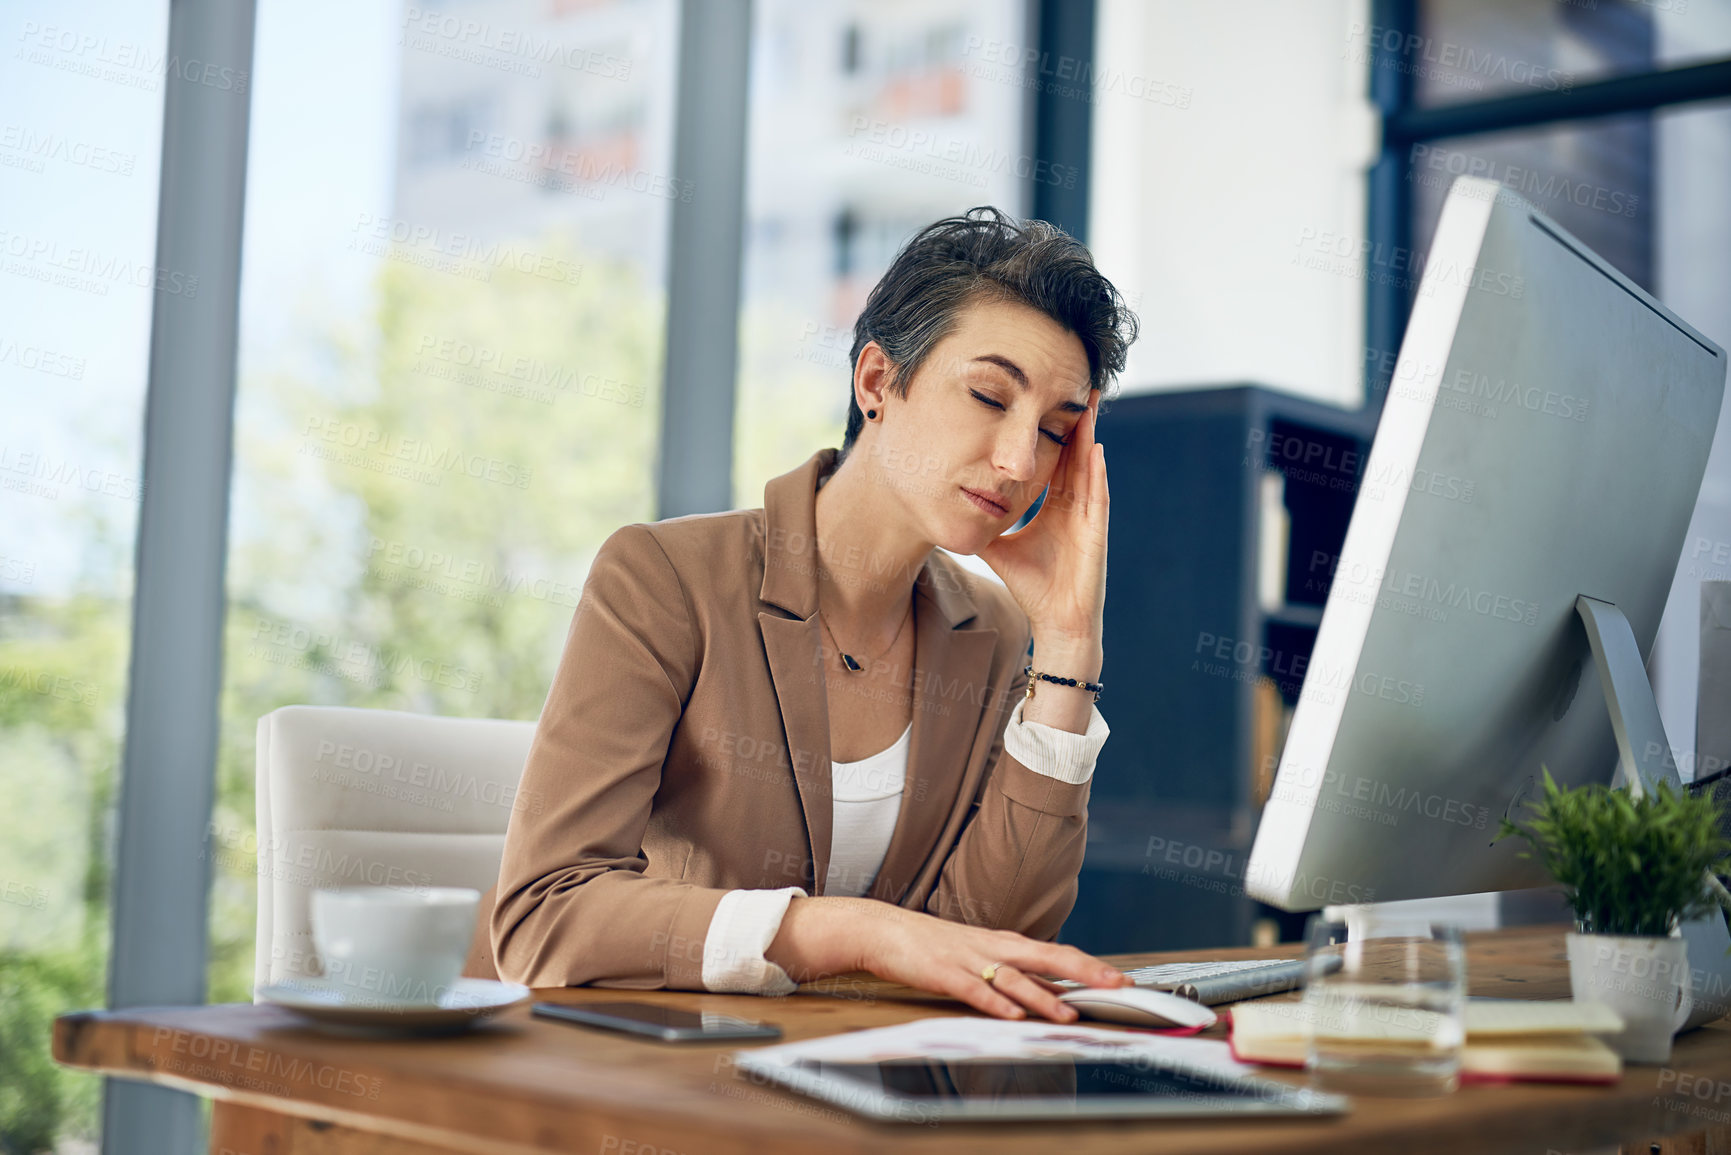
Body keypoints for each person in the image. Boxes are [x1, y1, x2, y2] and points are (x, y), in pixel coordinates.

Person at [490, 206, 1140, 1022]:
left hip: (872, 1096)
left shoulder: (998, 634)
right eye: (987, 395)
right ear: (876, 382)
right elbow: (541, 916)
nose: (1018, 462)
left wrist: (1069, 644)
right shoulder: (665, 580)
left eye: (1053, 429)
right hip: (667, 1091)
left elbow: (985, 944)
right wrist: (848, 931)